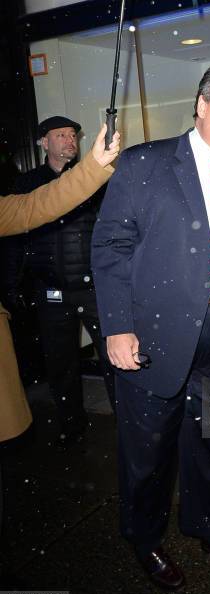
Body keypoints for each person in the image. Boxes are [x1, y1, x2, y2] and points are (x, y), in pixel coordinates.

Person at [91, 62, 210, 591]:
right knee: (147, 453)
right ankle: (143, 536)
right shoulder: (145, 165)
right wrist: (117, 325)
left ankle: (208, 526)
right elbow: (110, 246)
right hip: (154, 337)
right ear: (201, 106)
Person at [0, 124, 119, 446]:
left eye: (73, 136)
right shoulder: (26, 186)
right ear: (43, 142)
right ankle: (71, 426)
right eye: (61, 136)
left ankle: (126, 425)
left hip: (94, 287)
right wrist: (10, 285)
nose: (70, 141)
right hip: (50, 289)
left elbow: (114, 229)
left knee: (114, 359)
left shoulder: (98, 179)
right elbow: (13, 240)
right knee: (60, 363)